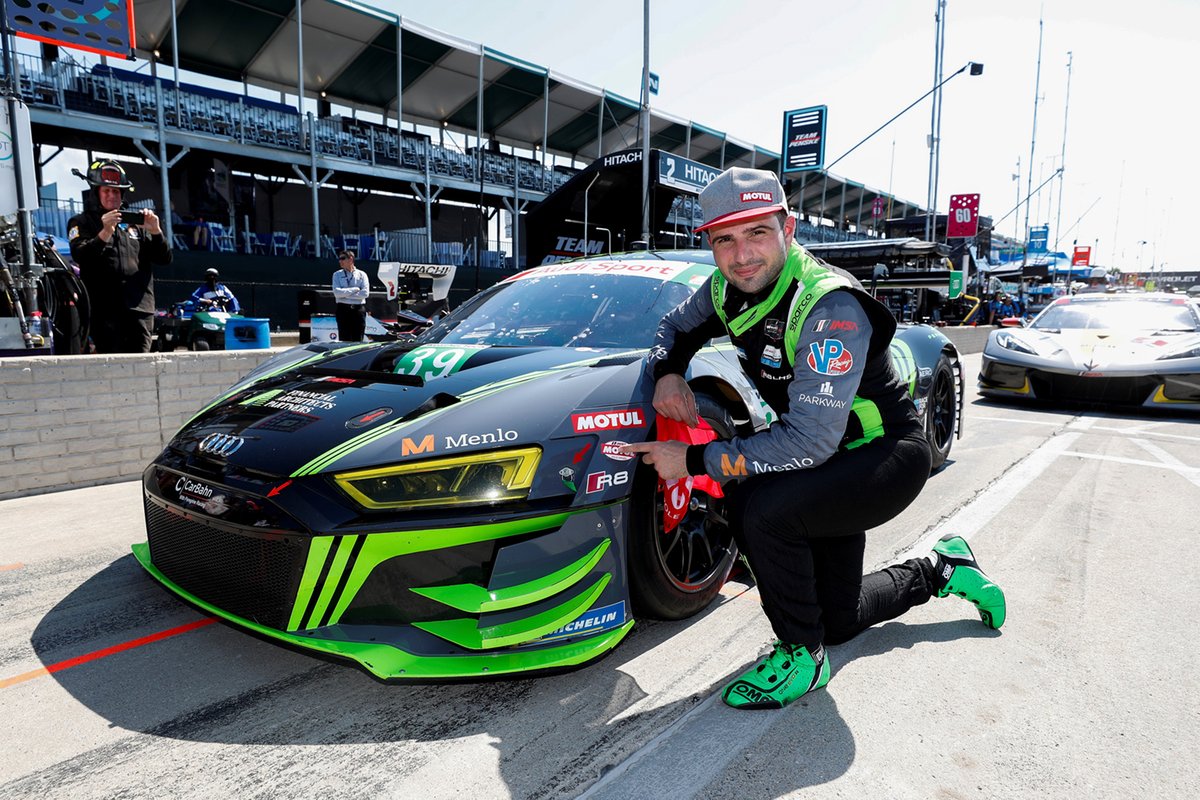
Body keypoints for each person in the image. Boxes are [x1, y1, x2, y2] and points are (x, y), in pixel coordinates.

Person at [625, 168, 1005, 711]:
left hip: (883, 456)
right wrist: (668, 371)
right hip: (825, 463)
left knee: (757, 505)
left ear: (789, 226)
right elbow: (674, 330)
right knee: (840, 620)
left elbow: (807, 443)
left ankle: (802, 656)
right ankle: (942, 569)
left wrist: (691, 459)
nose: (742, 254)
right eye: (724, 239)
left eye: (756, 232)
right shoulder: (722, 290)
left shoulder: (828, 305)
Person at [69, 159, 172, 354]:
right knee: (111, 368)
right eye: (106, 190)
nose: (111, 195)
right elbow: (81, 255)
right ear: (96, 192)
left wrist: (156, 232)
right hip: (104, 313)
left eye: (115, 191)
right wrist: (105, 232)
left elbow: (164, 258)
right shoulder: (81, 222)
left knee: (142, 367)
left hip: (140, 311)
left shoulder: (136, 225)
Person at [331, 249, 369, 341]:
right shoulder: (336, 275)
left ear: (351, 259)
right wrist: (355, 289)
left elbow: (365, 293)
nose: (340, 261)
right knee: (344, 339)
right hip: (343, 309)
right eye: (339, 259)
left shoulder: (362, 274)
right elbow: (337, 293)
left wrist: (344, 294)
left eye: (343, 258)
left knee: (358, 338)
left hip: (358, 310)